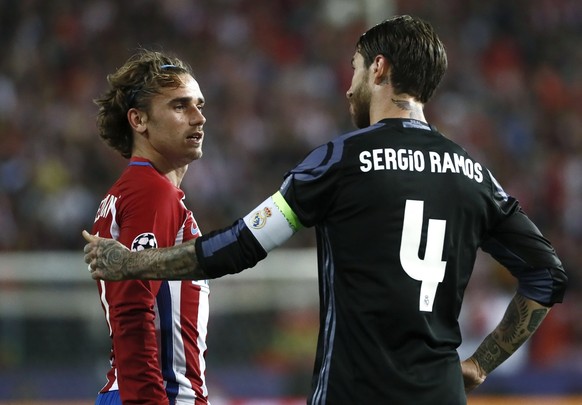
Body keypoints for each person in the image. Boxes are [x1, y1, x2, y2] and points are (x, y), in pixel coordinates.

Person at [83, 16, 568, 404]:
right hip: (440, 393)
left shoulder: (338, 161)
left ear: (378, 69)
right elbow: (547, 275)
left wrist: (134, 263)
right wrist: (480, 363)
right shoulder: (473, 175)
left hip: (351, 391)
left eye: (355, 69)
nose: (348, 86)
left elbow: (240, 246)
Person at [89, 49, 211, 405]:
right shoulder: (151, 192)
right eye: (180, 106)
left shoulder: (133, 190)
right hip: (157, 396)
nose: (198, 118)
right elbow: (133, 308)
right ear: (139, 120)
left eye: (199, 105)